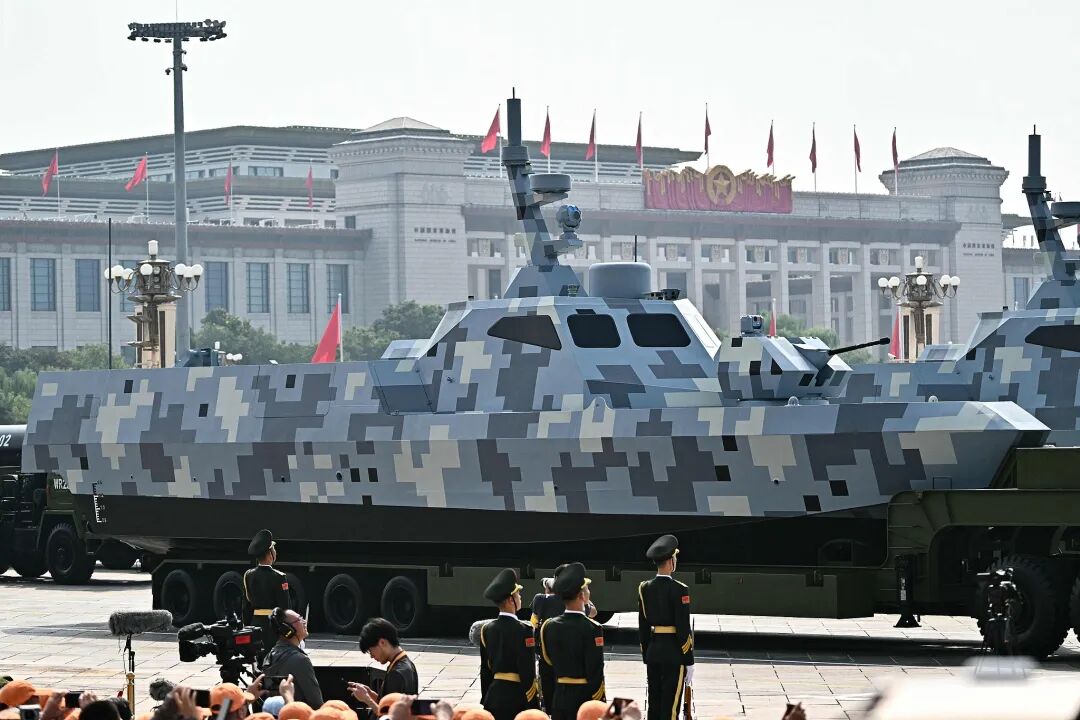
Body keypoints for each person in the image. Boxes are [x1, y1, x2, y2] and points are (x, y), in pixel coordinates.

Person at [636, 535, 693, 720]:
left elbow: (643, 626)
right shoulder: (680, 589)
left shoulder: (645, 588)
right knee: (670, 707)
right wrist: (689, 659)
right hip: (674, 653)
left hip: (653, 652)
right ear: (670, 561)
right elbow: (683, 628)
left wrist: (647, 653)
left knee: (654, 704)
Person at [539, 563, 605, 720]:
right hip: (584, 700)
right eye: (587, 589)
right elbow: (595, 672)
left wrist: (549, 703)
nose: (589, 592)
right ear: (582, 595)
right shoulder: (593, 628)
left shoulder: (549, 626)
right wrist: (599, 703)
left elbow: (546, 670)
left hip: (559, 699)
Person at [479, 568, 539, 720]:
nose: (520, 597)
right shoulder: (524, 629)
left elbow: (485, 670)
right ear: (511, 600)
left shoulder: (487, 629)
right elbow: (527, 669)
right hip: (517, 696)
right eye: (518, 594)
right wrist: (533, 702)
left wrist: (486, 697)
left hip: (494, 696)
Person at [349, 618, 418, 713]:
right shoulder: (407, 664)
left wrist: (367, 699)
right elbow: (388, 703)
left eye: (370, 651)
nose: (371, 656)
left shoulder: (396, 674)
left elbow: (389, 715)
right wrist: (370, 693)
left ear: (382, 642)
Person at [260, 607, 324, 707]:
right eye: (299, 619)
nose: (304, 621)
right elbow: (316, 703)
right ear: (288, 629)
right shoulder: (300, 660)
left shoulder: (269, 657)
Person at [529, 578, 560, 713]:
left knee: (546, 682)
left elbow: (533, 624)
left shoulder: (540, 599)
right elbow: (593, 611)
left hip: (544, 650)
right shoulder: (571, 600)